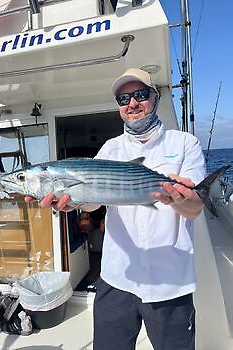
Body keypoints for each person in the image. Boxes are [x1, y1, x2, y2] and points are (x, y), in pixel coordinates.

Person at [25, 68, 205, 350]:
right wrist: (72, 202)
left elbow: (195, 209)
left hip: (169, 281)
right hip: (116, 278)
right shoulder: (110, 149)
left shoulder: (185, 143)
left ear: (155, 97)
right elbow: (94, 200)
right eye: (124, 99)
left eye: (140, 95)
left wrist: (182, 199)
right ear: (119, 106)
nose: (132, 104)